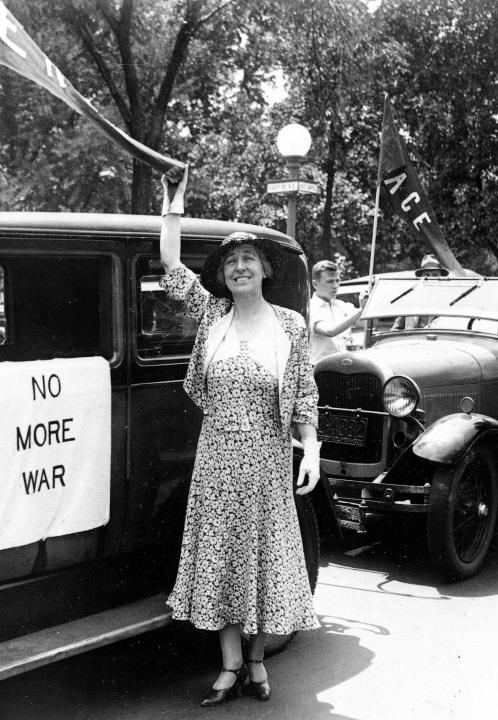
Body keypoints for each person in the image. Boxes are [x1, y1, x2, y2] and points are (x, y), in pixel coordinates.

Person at [158, 168, 320, 707]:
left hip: (269, 466)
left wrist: (312, 448)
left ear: (265, 269)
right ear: (223, 276)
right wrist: (173, 206)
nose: (240, 267)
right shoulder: (213, 318)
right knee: (222, 562)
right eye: (231, 262)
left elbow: (302, 393)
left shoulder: (291, 326)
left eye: (248, 259)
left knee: (264, 565)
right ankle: (229, 666)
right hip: (217, 464)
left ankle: (256, 661)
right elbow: (171, 267)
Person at [308, 259, 366, 363]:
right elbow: (330, 331)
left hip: (345, 368)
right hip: (321, 371)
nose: (335, 286)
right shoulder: (310, 307)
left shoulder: (343, 306)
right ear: (315, 284)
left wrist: (369, 303)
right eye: (330, 281)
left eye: (337, 281)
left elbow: (368, 324)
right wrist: (360, 310)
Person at [390, 254, 449, 330]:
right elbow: (395, 329)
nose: (430, 278)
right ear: (421, 278)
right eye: (426, 275)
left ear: (441, 278)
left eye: (435, 275)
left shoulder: (448, 302)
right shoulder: (409, 301)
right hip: (411, 341)